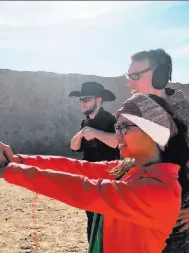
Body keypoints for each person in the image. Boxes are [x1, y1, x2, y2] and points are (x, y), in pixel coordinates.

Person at [0, 93, 189, 253]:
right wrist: (18, 161)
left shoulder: (160, 190)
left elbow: (86, 189)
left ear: (153, 132)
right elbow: (78, 168)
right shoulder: (131, 168)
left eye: (125, 127)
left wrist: (11, 171)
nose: (118, 136)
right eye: (118, 127)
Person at [124, 48, 189, 253]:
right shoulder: (134, 111)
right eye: (128, 76)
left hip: (171, 234)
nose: (129, 82)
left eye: (135, 76)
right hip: (133, 223)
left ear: (160, 75)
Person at [69, 81, 120, 242]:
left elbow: (116, 142)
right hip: (90, 179)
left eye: (86, 99)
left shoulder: (111, 120)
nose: (82, 103)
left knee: (108, 222)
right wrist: (82, 133)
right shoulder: (85, 123)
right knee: (92, 220)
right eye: (81, 99)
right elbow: (74, 146)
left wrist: (95, 133)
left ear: (99, 100)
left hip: (109, 180)